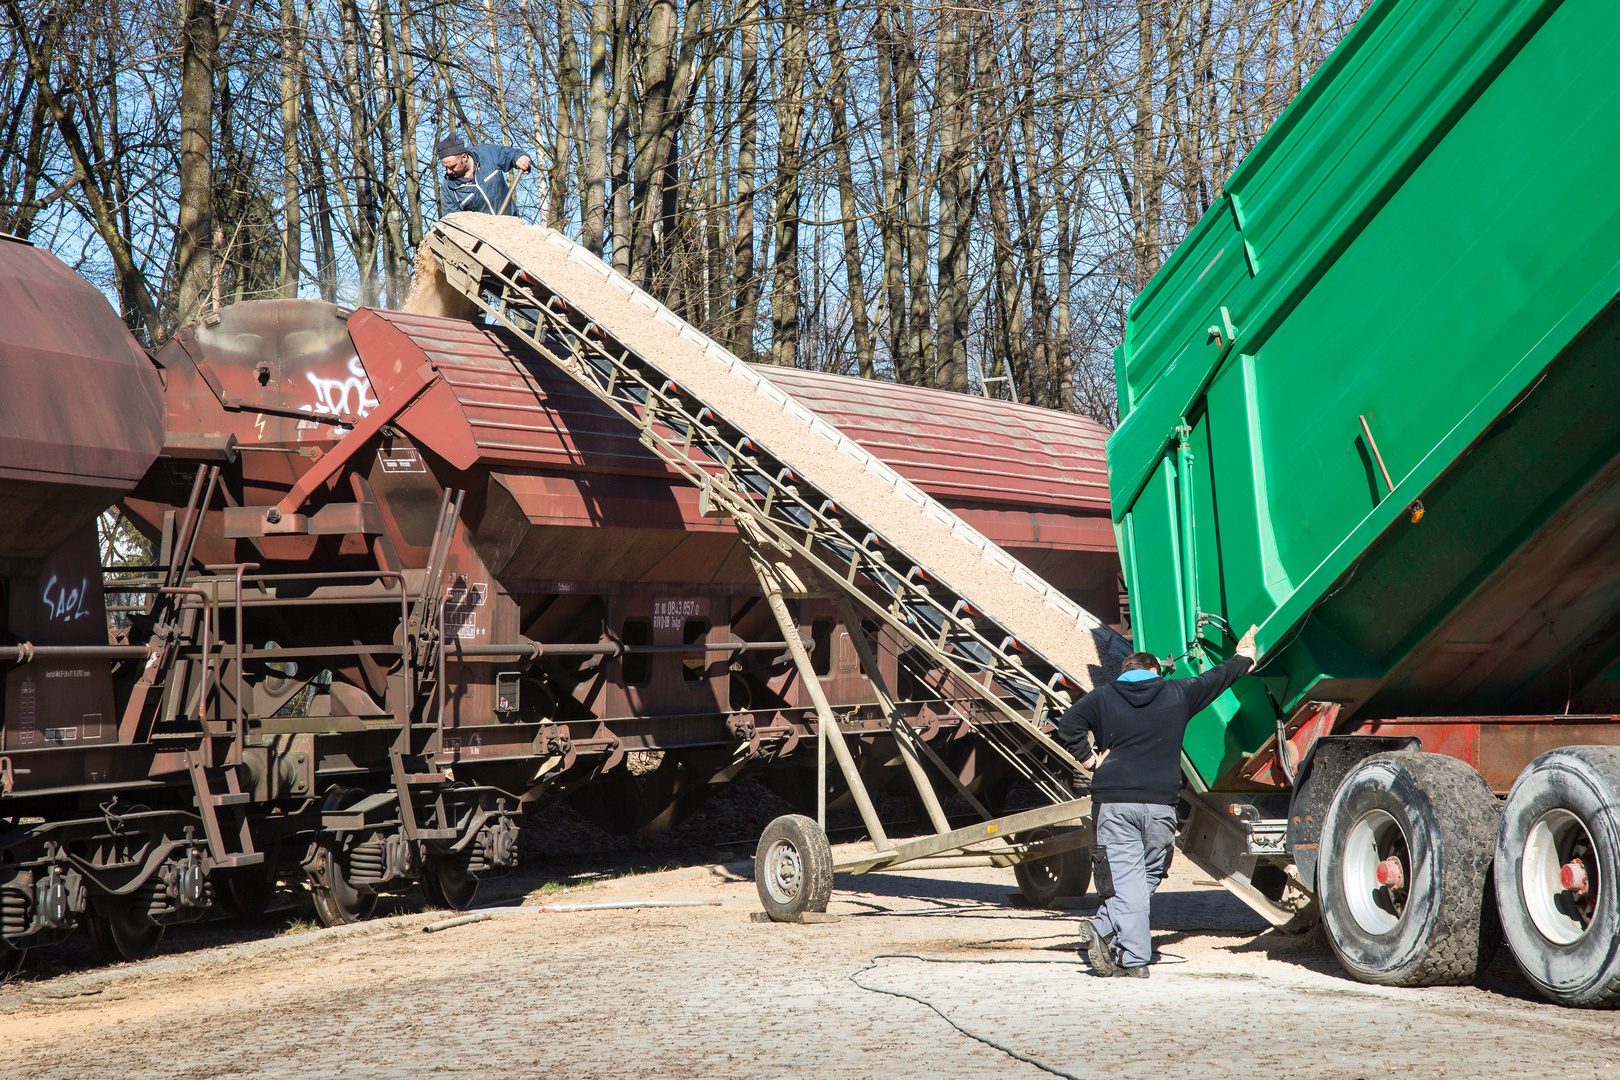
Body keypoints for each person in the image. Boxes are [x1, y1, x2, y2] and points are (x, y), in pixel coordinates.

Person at [1057, 626, 1258, 978]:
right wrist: (1244, 658)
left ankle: (1123, 948)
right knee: (1146, 874)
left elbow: (1069, 723)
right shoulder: (1176, 692)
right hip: (1161, 805)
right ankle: (1121, 944)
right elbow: (1217, 677)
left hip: (1115, 803)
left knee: (1128, 879)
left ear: (1125, 674)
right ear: (1155, 671)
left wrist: (1090, 761)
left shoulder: (1104, 697)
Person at [436, 134, 533, 218]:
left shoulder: (487, 154)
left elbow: (511, 155)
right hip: (482, 237)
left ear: (464, 157)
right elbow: (453, 222)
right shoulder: (449, 189)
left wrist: (520, 158)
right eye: (446, 168)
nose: (448, 172)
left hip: (512, 227)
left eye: (453, 167)